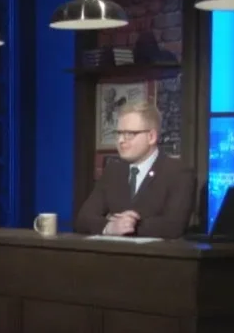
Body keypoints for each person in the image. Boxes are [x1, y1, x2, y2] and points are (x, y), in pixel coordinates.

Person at [75, 102, 196, 239]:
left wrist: (131, 225)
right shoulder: (113, 171)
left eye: (129, 134)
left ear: (151, 137)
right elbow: (83, 219)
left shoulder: (178, 173)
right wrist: (110, 227)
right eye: (119, 133)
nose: (121, 140)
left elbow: (174, 225)